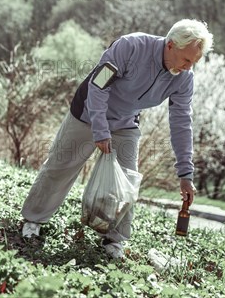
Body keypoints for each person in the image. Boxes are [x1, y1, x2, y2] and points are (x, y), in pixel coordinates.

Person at [20, 19, 214, 259]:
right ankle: (33, 221)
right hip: (88, 112)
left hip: (125, 122)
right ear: (171, 45)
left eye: (194, 62)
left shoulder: (184, 78)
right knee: (60, 168)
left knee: (126, 181)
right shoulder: (130, 47)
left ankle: (114, 241)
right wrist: (100, 129)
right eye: (187, 59)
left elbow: (182, 122)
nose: (188, 67)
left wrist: (185, 174)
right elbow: (98, 85)